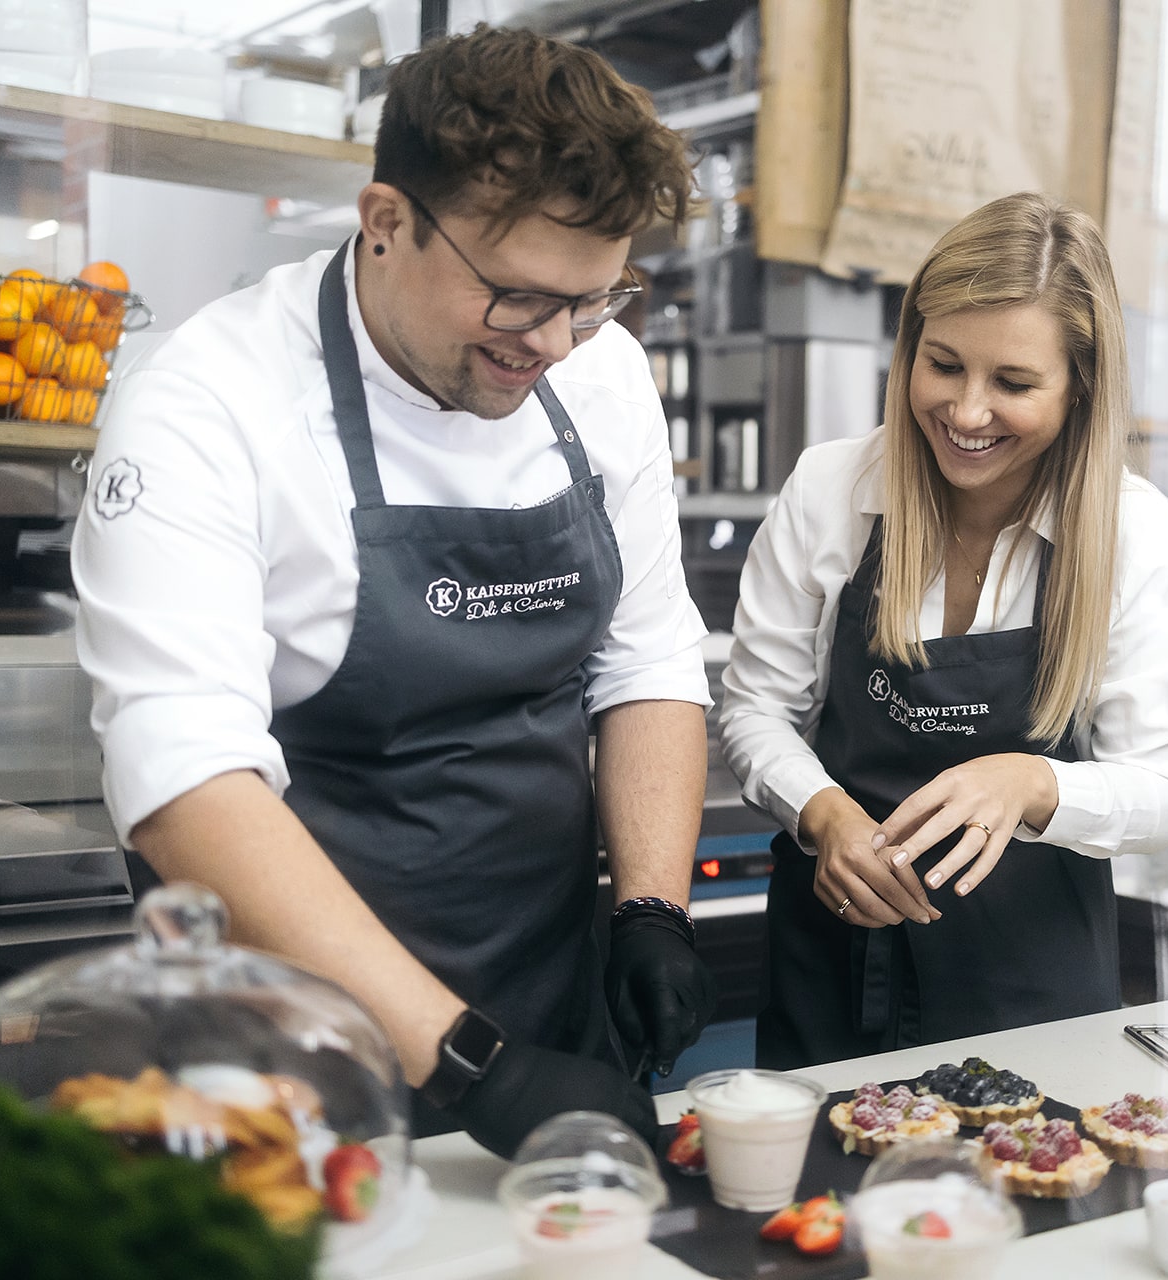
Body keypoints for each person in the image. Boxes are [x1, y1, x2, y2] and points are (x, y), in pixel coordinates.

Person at [72, 26, 717, 1156]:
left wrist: (651, 907)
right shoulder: (208, 402)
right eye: (519, 296)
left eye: (597, 299)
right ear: (385, 223)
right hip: (290, 1059)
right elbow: (185, 782)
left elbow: (647, 656)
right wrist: (472, 1062)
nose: (558, 342)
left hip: (554, 1026)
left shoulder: (598, 371)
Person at [719, 193, 1168, 1068]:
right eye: (943, 365)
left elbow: (1162, 795)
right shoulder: (832, 490)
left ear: (1079, 388)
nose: (967, 411)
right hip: (832, 969)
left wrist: (1030, 784)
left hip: (1032, 988)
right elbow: (755, 710)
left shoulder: (1130, 530)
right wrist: (824, 815)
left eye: (1014, 384)